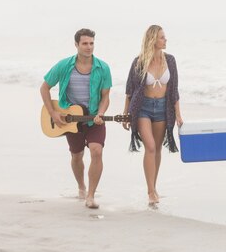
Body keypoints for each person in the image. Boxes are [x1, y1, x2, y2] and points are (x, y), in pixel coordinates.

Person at [40, 28, 112, 209]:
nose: (89, 47)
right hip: (71, 119)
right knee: (77, 155)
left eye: (92, 43)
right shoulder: (64, 66)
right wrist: (53, 113)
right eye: (85, 43)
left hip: (93, 117)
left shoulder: (103, 68)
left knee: (97, 151)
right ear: (76, 45)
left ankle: (91, 196)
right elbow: (44, 88)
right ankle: (81, 186)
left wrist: (101, 113)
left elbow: (105, 97)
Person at [123, 25, 183, 206]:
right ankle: (150, 191)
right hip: (143, 108)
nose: (165, 40)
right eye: (162, 37)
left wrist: (178, 114)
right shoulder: (139, 62)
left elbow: (174, 90)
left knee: (156, 149)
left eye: (165, 37)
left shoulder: (170, 60)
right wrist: (126, 114)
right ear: (153, 40)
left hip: (163, 108)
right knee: (149, 146)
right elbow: (130, 90)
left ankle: (154, 187)